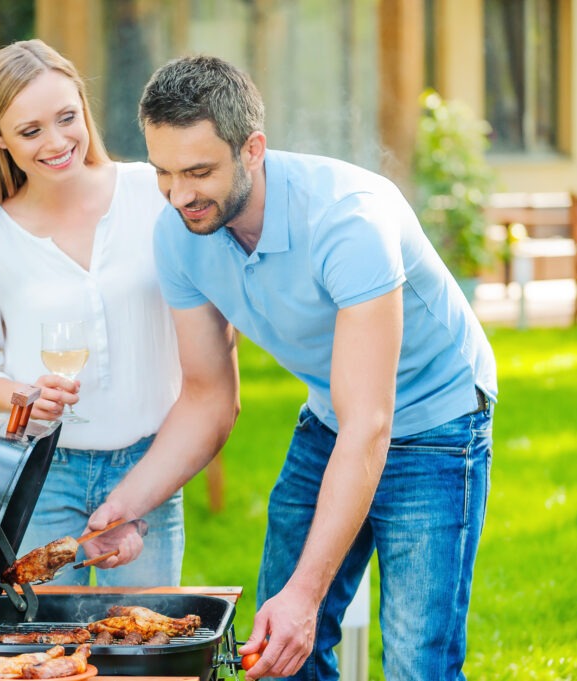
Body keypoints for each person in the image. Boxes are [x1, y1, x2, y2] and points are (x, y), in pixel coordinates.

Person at [82, 55, 497, 680]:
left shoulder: (348, 222)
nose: (180, 195)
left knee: (418, 662)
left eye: (199, 171)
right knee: (276, 654)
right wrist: (124, 508)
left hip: (437, 425)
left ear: (253, 149)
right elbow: (205, 398)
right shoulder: (179, 234)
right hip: (336, 412)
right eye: (164, 173)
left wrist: (308, 595)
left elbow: (371, 425)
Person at [0, 39, 184, 587]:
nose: (57, 143)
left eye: (66, 118)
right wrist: (24, 398)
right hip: (41, 473)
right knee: (46, 654)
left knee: (146, 655)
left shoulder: (149, 195)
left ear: (84, 106)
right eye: (30, 131)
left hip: (148, 466)